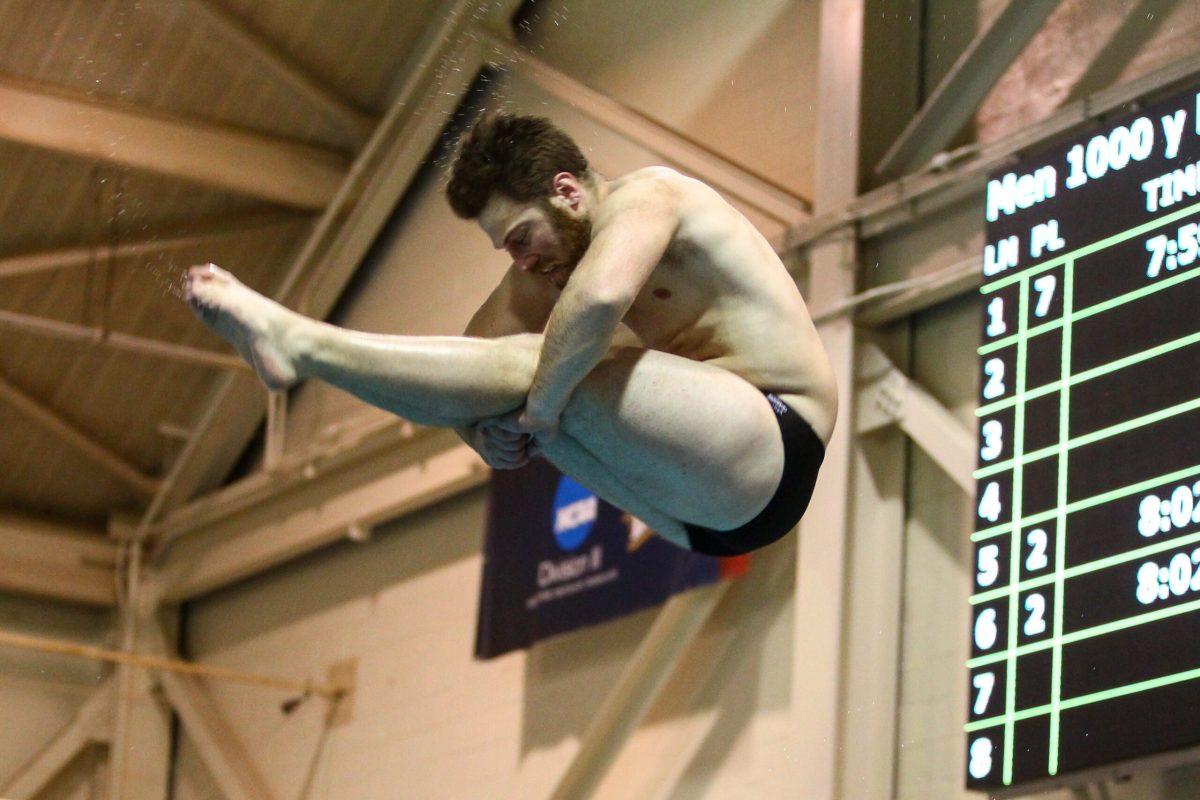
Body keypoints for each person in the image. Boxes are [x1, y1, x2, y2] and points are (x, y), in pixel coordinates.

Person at [183, 112, 837, 556]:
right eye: (506, 250)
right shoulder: (551, 262)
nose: (521, 261)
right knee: (521, 377)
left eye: (522, 237)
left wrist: (544, 407)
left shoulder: (652, 198)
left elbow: (601, 299)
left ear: (567, 191)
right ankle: (298, 347)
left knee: (554, 362)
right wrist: (481, 435)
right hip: (693, 518)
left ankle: (302, 343)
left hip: (775, 441)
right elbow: (473, 364)